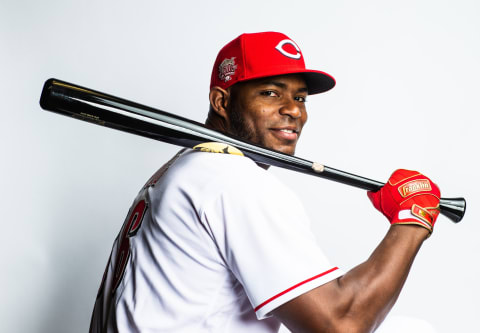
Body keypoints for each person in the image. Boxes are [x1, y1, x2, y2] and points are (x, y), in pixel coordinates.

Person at [90, 32, 441, 333]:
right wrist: (412, 219)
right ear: (221, 101)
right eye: (271, 93)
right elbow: (340, 324)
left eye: (300, 97)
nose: (294, 110)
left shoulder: (184, 170)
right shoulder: (233, 181)